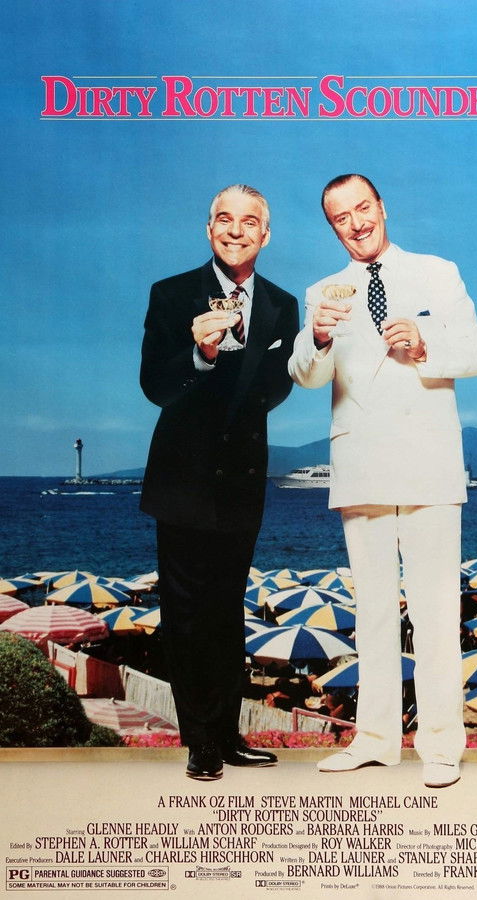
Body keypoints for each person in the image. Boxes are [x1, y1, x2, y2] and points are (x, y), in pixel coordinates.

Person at [288, 174, 477, 788]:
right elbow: (305, 375)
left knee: (435, 611)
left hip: (429, 464)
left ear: (382, 208)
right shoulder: (321, 292)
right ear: (332, 228)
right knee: (372, 611)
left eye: (363, 208)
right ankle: (375, 741)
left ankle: (440, 747)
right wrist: (318, 335)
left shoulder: (438, 272)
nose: (356, 223)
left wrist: (426, 344)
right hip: (362, 466)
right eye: (341, 217)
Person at [140, 184, 298, 780]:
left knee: (227, 611)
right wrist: (202, 354)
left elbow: (277, 388)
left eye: (249, 221)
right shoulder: (171, 293)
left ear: (265, 235)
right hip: (182, 478)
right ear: (209, 230)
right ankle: (200, 742)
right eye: (225, 220)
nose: (236, 230)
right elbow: (155, 386)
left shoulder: (282, 304)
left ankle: (228, 736)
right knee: (185, 614)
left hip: (242, 481)